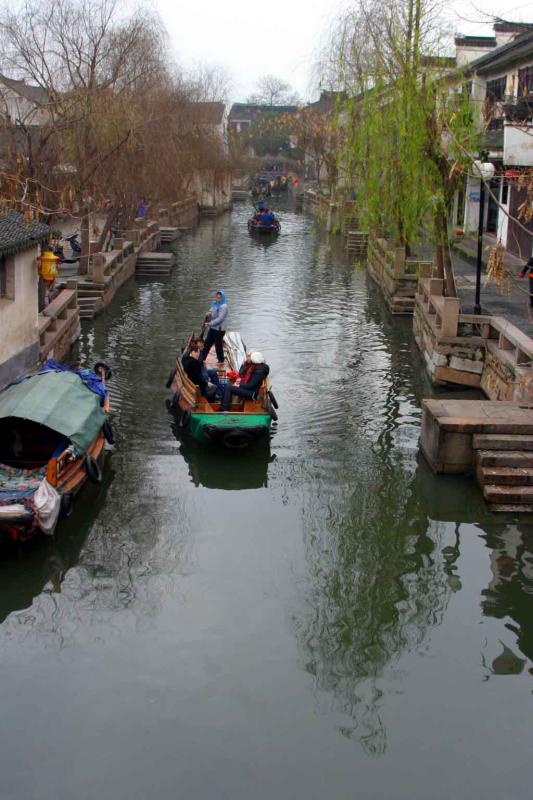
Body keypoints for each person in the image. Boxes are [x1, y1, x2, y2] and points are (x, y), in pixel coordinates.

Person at [201, 290, 228, 365]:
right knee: (207, 343)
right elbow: (211, 311)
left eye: (219, 298)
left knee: (218, 345)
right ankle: (202, 358)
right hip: (213, 328)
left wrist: (209, 324)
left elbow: (220, 319)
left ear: (222, 298)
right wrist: (209, 313)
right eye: (216, 297)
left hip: (219, 329)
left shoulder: (223, 306)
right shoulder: (215, 304)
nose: (217, 299)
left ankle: (221, 360)